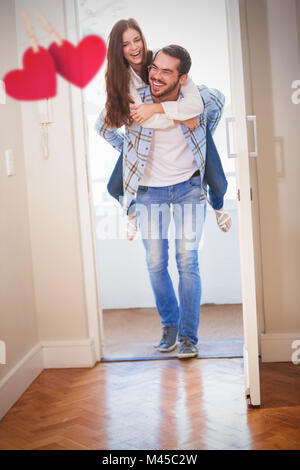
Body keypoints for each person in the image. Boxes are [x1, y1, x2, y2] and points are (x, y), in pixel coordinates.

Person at [95, 44, 226, 359]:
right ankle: (170, 323)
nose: (155, 75)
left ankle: (188, 337)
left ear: (182, 79)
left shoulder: (199, 100)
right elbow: (103, 126)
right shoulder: (135, 99)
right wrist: (130, 152)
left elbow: (218, 104)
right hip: (148, 191)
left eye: (167, 71)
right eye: (154, 67)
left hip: (189, 188)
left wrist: (197, 134)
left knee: (187, 261)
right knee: (156, 262)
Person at [102, 18, 231, 240]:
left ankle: (218, 207)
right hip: (143, 135)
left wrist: (199, 129)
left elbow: (195, 105)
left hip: (184, 128)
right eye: (126, 44)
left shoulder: (161, 60)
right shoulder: (123, 81)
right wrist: (179, 120)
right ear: (118, 50)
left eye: (137, 39)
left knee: (218, 181)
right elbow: (144, 119)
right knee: (115, 188)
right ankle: (131, 214)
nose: (134, 47)